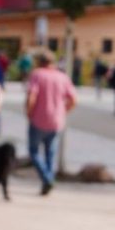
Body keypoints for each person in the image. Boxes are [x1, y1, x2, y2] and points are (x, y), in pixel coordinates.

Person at [25, 49, 77, 195]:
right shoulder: (62, 77)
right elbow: (73, 99)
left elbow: (32, 97)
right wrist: (63, 111)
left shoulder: (37, 74)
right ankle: (47, 181)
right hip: (56, 121)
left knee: (34, 152)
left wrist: (29, 113)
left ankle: (47, 179)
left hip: (38, 119)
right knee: (50, 154)